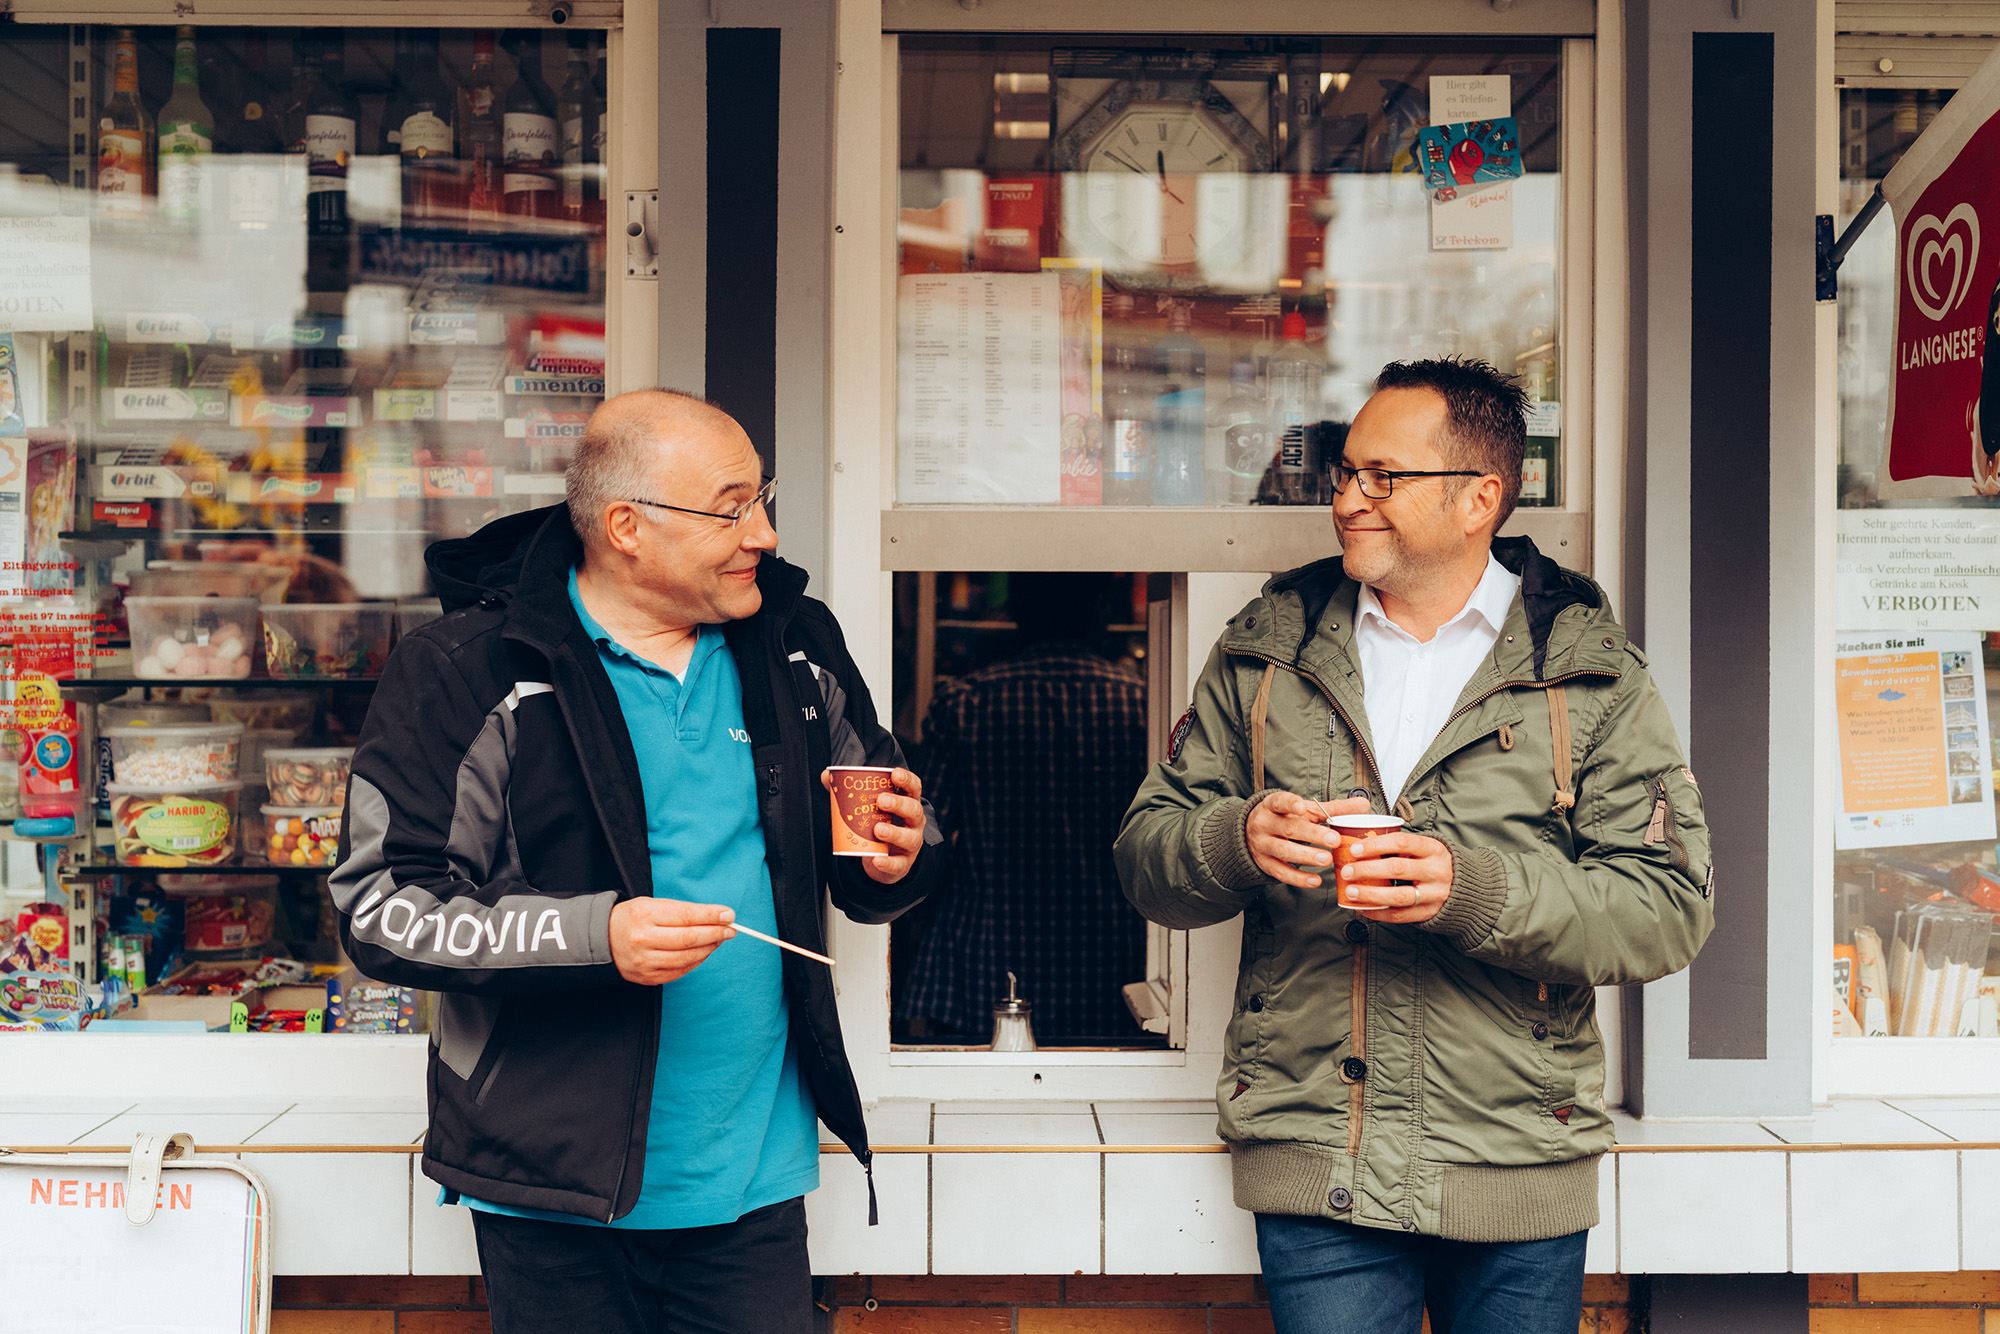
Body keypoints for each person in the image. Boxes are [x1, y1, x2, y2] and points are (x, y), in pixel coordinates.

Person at [1113, 358, 1715, 1334]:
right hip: (1316, 1157)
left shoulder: (1589, 671)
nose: (1347, 499)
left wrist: (1470, 891)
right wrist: (1232, 838)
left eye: (1380, 476)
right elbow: (1145, 854)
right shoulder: (1264, 648)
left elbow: (1666, 906)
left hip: (1517, 1156)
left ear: (1479, 496)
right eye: (1344, 473)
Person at [331, 389, 943, 1334]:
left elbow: (875, 839)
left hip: (753, 1180)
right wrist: (596, 936)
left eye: (764, 500)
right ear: (628, 527)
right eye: (733, 508)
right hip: (552, 1188)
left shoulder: (794, 646)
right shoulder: (468, 669)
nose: (766, 535)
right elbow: (382, 906)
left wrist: (898, 860)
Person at [897, 572, 1149, 1040]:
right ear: (1098, 611)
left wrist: (913, 921)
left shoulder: (964, 702)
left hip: (983, 957)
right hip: (1108, 957)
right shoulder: (1142, 704)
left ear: (1016, 615)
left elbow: (926, 835)